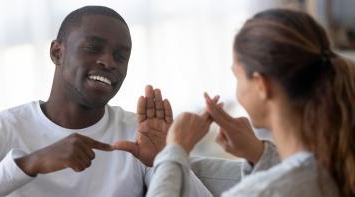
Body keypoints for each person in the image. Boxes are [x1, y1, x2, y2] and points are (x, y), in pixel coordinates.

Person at [0, 6, 211, 197]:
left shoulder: (138, 134)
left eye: (121, 56)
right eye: (93, 48)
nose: (109, 62)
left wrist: (166, 158)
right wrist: (31, 163)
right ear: (57, 52)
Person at [146, 8, 355, 197]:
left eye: (236, 76)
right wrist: (260, 154)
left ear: (261, 84)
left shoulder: (261, 191)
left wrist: (175, 149)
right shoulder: (338, 166)